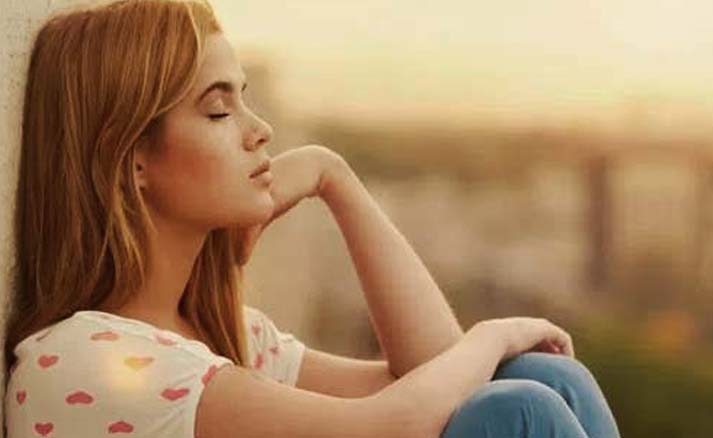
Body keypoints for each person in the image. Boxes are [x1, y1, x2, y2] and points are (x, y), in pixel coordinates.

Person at [3, 0, 621, 437]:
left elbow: (435, 371)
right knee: (515, 409)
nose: (259, 130)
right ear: (133, 161)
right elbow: (399, 424)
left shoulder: (223, 335)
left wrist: (335, 177)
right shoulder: (83, 357)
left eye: (245, 100)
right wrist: (494, 332)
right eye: (219, 112)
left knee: (542, 378)